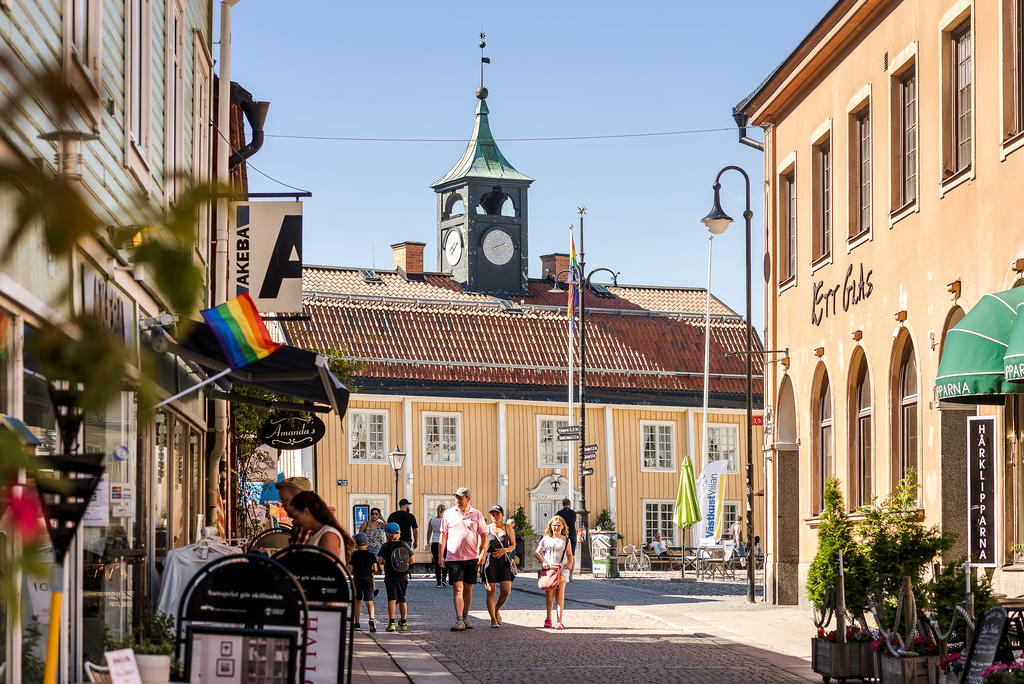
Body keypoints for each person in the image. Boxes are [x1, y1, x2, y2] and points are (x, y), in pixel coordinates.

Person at [438, 487, 487, 632]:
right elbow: (443, 536)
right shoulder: (448, 514)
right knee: (457, 588)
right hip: (453, 557)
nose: (458, 500)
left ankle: (465, 616)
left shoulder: (476, 514)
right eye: (456, 497)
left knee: (468, 589)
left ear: (468, 499)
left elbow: (484, 535)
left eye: (460, 497)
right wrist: (441, 556)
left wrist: (483, 552)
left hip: (471, 557)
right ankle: (459, 619)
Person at [288, 491, 355, 564]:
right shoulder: (318, 533)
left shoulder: (328, 536)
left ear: (306, 512)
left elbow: (327, 571)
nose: (295, 521)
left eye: (296, 516)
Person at [534, 515, 574, 630]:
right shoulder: (546, 539)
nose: (556, 527)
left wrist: (570, 563)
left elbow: (570, 554)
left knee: (560, 595)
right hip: (550, 570)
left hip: (562, 570)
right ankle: (548, 618)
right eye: (554, 525)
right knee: (549, 595)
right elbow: (537, 552)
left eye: (558, 525)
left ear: (562, 527)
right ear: (550, 526)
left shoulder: (566, 540)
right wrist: (543, 562)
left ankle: (559, 621)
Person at [479, 504, 516, 628]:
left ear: (502, 515)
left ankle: (496, 609)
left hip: (504, 562)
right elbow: (481, 546)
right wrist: (480, 563)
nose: (494, 516)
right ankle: (493, 619)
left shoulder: (508, 527)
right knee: (491, 591)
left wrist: (504, 550)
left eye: (497, 513)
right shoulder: (486, 528)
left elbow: (513, 545)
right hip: (490, 562)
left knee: (506, 591)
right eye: (492, 513)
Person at [376, 522, 414, 632]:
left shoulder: (385, 546)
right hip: (403, 576)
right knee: (402, 599)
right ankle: (403, 623)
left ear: (387, 534)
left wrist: (385, 562)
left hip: (390, 576)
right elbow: (412, 560)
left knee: (392, 599)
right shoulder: (404, 544)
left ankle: (391, 623)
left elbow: (380, 561)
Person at [350, 533, 378, 632]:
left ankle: (357, 623)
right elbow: (375, 568)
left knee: (358, 602)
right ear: (366, 543)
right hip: (368, 580)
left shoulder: (354, 555)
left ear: (356, 543)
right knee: (369, 602)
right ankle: (371, 618)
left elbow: (350, 570)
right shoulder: (371, 555)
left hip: (357, 580)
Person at [275, 476, 313, 546]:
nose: (282, 505)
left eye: (285, 500)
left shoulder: (306, 525)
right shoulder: (302, 521)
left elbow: (296, 555)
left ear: (300, 498)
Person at [555, 498, 577, 580]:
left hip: (562, 534)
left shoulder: (559, 513)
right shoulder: (573, 513)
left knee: (560, 554)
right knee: (571, 554)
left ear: (562, 504)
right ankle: (570, 576)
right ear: (569, 504)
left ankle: (559, 573)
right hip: (572, 534)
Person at [428, 504, 448, 587]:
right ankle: (444, 579)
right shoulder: (446, 520)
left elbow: (429, 532)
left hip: (435, 542)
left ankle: (438, 581)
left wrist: (427, 542)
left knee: (437, 562)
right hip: (445, 542)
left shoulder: (432, 520)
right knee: (446, 560)